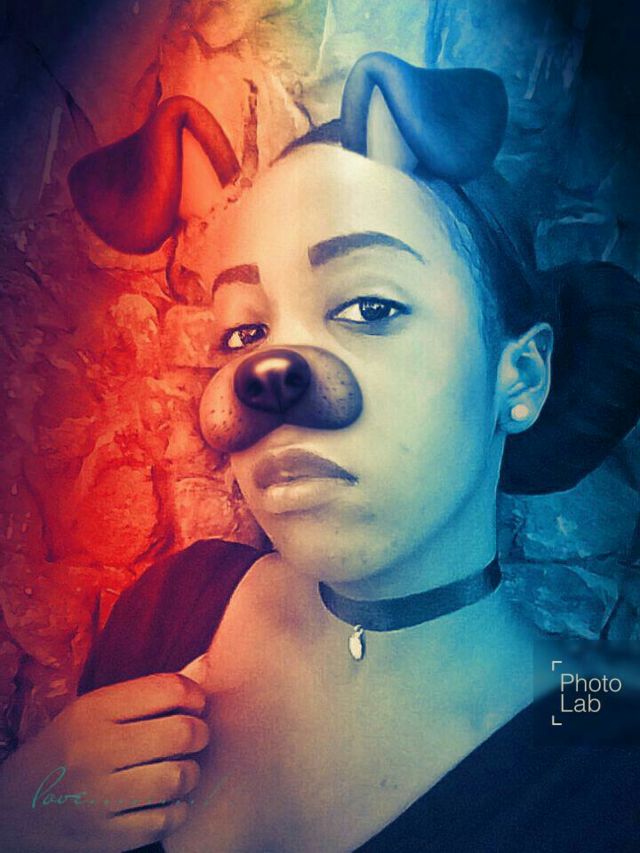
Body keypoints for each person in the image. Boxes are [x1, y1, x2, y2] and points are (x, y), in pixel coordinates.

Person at [1, 52, 639, 853]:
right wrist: (20, 812)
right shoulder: (171, 604)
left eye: (370, 306)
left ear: (522, 375)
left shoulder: (604, 769)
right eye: (245, 331)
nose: (269, 373)